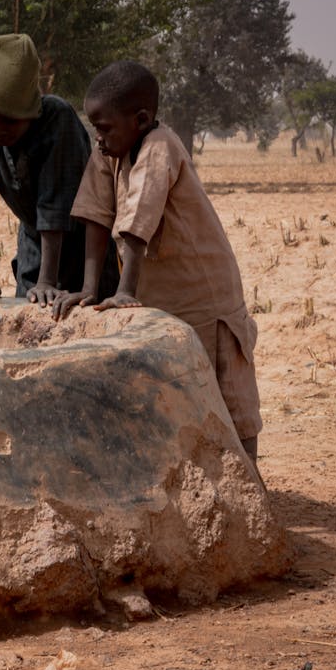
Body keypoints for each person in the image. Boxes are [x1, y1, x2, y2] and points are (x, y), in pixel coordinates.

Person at [52, 60, 261, 463]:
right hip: (161, 299)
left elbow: (136, 221)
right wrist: (91, 289)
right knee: (176, 394)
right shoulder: (110, 149)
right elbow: (96, 215)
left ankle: (252, 485)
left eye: (105, 127)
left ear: (141, 119)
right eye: (93, 127)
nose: (97, 137)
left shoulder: (159, 146)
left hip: (205, 295)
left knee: (230, 400)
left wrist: (125, 290)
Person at [0, 33, 118, 314]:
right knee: (29, 320)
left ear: (29, 110)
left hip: (83, 247)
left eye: (9, 120)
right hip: (33, 242)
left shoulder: (57, 118)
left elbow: (54, 205)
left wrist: (47, 280)